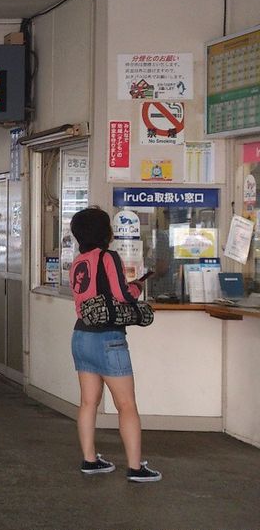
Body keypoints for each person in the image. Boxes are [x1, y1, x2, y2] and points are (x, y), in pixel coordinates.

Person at [68, 207, 161, 483]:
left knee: (87, 402)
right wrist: (137, 288)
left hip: (81, 335)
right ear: (104, 232)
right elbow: (121, 295)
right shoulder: (108, 257)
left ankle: (90, 459)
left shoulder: (78, 261)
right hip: (108, 338)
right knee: (126, 405)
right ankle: (135, 467)